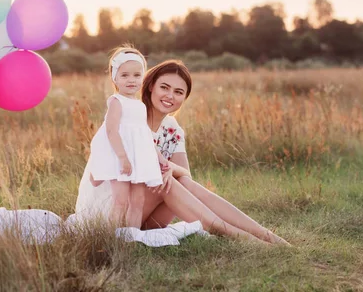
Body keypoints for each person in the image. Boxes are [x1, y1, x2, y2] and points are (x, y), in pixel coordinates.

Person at [76, 59, 290, 245]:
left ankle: (264, 234)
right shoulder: (125, 119)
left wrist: (168, 168)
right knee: (163, 180)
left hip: (143, 214)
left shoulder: (172, 128)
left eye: (178, 92)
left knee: (176, 180)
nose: (170, 96)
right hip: (110, 211)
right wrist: (161, 171)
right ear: (150, 86)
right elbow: (100, 173)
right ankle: (239, 236)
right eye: (164, 87)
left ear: (184, 98)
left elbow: (186, 175)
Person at [87, 46, 168, 229]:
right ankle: (112, 237)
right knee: (121, 201)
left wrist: (160, 157)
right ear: (115, 78)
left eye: (136, 75)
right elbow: (111, 131)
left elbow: (145, 135)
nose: (131, 80)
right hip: (121, 158)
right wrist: (122, 157)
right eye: (124, 75)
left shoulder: (140, 105)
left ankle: (132, 235)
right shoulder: (117, 102)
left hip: (138, 159)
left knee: (138, 200)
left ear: (143, 77)